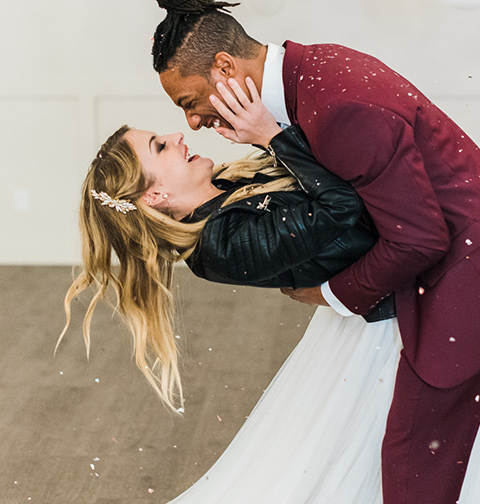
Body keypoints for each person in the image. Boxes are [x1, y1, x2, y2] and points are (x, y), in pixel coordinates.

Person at [152, 0, 480, 504]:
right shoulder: (318, 67)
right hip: (448, 259)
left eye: (189, 101)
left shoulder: (336, 107)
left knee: (415, 453)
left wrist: (331, 296)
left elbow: (419, 240)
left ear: (226, 69)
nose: (191, 121)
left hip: (464, 273)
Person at [57, 85, 384, 414]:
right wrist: (269, 138)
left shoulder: (226, 187)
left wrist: (262, 133)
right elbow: (341, 206)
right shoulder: (220, 246)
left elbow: (318, 166)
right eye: (160, 146)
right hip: (395, 306)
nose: (177, 136)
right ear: (153, 196)